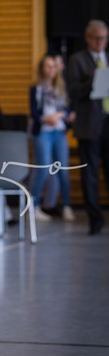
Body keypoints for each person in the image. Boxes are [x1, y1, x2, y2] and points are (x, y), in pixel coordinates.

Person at [68, 19, 109, 235]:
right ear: (88, 38)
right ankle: (95, 219)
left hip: (107, 120)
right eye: (96, 38)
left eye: (104, 38)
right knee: (90, 173)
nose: (100, 42)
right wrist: (93, 80)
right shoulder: (78, 60)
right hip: (89, 124)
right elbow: (73, 92)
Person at [29, 54, 75, 222]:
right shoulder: (36, 88)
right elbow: (34, 112)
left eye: (53, 66)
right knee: (42, 169)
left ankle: (67, 206)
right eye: (48, 66)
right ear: (42, 69)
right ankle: (34, 207)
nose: (51, 69)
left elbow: (68, 108)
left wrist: (62, 115)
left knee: (63, 170)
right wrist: (45, 119)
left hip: (59, 131)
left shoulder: (61, 87)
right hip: (43, 131)